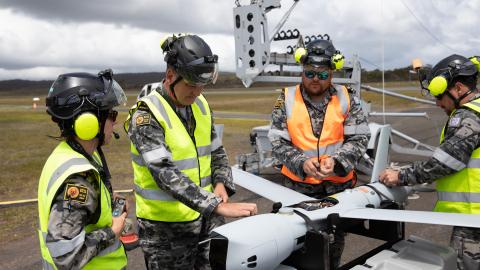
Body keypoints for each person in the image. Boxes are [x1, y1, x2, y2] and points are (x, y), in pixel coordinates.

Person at [125, 34, 257, 270]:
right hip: (166, 232)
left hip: (205, 222)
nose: (197, 92)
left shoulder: (201, 104)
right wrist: (214, 204)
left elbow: (217, 152)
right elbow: (165, 174)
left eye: (202, 85)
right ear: (170, 76)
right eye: (191, 85)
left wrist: (220, 183)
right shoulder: (146, 116)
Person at [268, 39, 370, 268]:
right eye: (309, 73)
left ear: (332, 74)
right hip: (297, 191)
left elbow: (360, 137)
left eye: (322, 75)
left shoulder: (347, 97)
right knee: (293, 250)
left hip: (336, 191)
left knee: (331, 252)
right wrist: (301, 162)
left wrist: (338, 161)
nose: (315, 79)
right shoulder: (285, 98)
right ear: (302, 71)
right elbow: (277, 140)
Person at [379, 54, 480, 270]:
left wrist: (400, 176)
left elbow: (444, 162)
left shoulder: (467, 117)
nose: (437, 103)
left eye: (440, 96)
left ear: (459, 88)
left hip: (475, 224)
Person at [37, 69, 128, 269]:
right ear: (89, 121)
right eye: (111, 114)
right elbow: (65, 254)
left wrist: (105, 203)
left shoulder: (71, 154)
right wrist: (112, 231)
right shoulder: (78, 178)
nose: (115, 121)